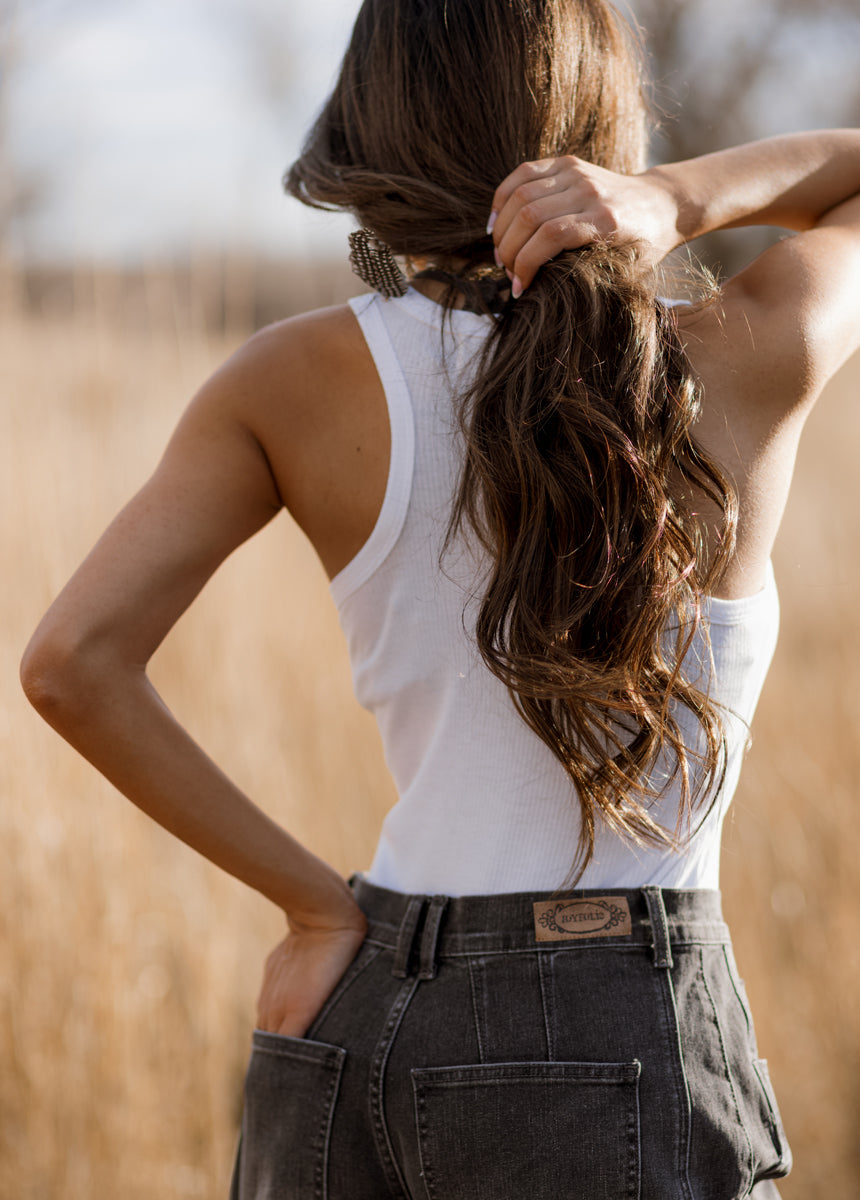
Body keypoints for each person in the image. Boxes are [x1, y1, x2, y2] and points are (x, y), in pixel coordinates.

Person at [20, 0, 860, 1196]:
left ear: (371, 125)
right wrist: (672, 197)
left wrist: (315, 912)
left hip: (356, 1010)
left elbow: (71, 662)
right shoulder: (747, 347)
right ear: (593, 132)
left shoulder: (287, 378)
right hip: (612, 1016)